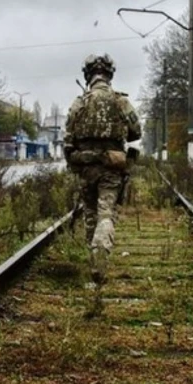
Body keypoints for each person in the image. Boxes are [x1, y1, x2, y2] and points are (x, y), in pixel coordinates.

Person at [65, 54, 141, 285]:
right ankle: (101, 256)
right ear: (110, 75)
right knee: (106, 212)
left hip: (86, 168)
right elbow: (136, 132)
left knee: (90, 213)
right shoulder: (120, 102)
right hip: (112, 167)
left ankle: (93, 260)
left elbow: (69, 137)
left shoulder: (80, 103)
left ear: (88, 76)